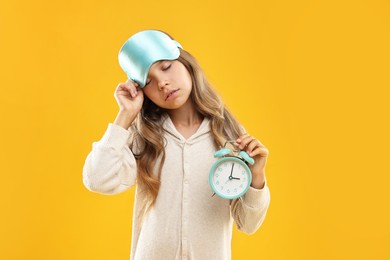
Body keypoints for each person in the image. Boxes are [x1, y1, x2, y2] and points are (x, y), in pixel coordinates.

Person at [83, 29, 271, 260]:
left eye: (165, 67)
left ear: (185, 62)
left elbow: (248, 224)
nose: (162, 83)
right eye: (149, 81)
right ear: (142, 91)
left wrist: (257, 177)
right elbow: (97, 179)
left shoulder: (229, 136)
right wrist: (125, 115)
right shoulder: (144, 136)